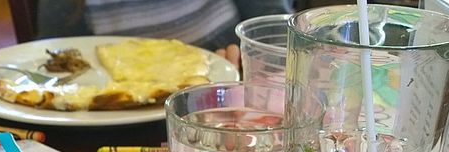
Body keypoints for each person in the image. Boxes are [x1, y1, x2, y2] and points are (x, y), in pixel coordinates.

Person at [36, 0, 294, 67]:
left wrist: (248, 59)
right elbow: (54, 61)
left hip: (222, 97)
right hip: (119, 123)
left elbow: (276, 31)